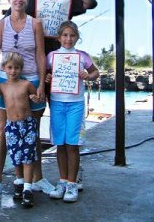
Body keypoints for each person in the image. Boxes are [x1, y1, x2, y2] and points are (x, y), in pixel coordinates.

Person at [0, 0, 97, 193]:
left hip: (53, 71)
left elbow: (90, 2)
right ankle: (10, 180)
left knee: (35, 129)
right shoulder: (20, 6)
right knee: (6, 127)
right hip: (17, 73)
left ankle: (50, 178)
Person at [0, 0, 47, 200]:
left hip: (30, 79)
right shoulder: (0, 25)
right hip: (6, 81)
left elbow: (40, 54)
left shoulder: (36, 24)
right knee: (2, 129)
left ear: (27, 0)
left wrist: (41, 84)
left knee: (33, 131)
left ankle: (36, 179)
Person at [48, 21, 99, 203]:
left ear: (77, 37)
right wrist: (48, 77)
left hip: (75, 104)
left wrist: (88, 75)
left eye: (72, 35)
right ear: (59, 38)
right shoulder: (51, 56)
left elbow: (95, 72)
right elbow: (47, 74)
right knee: (60, 145)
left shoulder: (82, 56)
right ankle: (62, 181)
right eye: (65, 35)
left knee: (73, 144)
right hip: (57, 103)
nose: (68, 39)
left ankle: (72, 183)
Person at [0, 52, 39, 207]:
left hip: (28, 124)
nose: (13, 71)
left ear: (21, 69)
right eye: (9, 67)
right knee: (16, 156)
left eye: (16, 68)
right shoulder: (1, 87)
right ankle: (19, 183)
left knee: (28, 156)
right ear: (4, 68)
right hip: (11, 126)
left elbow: (36, 99)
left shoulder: (26, 84)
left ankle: (28, 189)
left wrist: (36, 97)